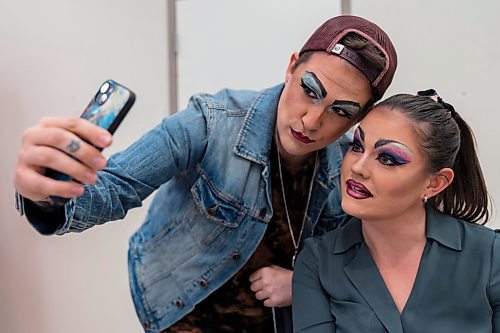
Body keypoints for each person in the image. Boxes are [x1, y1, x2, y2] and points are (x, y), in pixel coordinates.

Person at [13, 15, 397, 332]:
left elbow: (363, 262)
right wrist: (47, 193)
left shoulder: (349, 165)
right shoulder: (211, 122)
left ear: (359, 118)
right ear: (291, 66)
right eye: (310, 90)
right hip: (179, 304)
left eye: (341, 111)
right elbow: (115, 189)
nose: (312, 121)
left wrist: (304, 283)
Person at [292, 90, 495, 332]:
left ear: (435, 183)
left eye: (387, 159)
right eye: (357, 146)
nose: (357, 167)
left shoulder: (491, 257)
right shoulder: (317, 263)